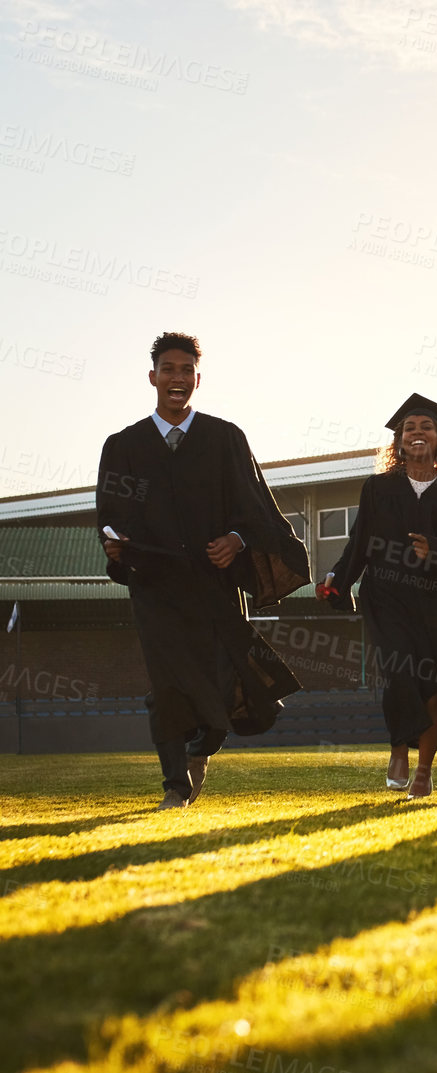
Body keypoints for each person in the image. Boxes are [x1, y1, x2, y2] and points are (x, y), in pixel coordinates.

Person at [96, 332, 309, 811]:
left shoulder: (224, 438)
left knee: (221, 678)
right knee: (167, 683)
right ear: (153, 377)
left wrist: (236, 541)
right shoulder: (124, 445)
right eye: (167, 369)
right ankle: (175, 785)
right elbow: (110, 511)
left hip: (215, 583)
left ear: (197, 378)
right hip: (156, 584)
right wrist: (114, 543)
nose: (177, 378)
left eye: (185, 370)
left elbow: (254, 507)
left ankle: (204, 744)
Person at [322, 394, 437, 798]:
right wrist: (338, 577)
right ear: (399, 442)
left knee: (435, 684)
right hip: (385, 596)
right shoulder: (378, 488)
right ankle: (398, 748)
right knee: (400, 672)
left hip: (433, 598)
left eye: (425, 427)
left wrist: (434, 550)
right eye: (409, 428)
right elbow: (360, 542)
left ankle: (423, 771)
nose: (416, 433)